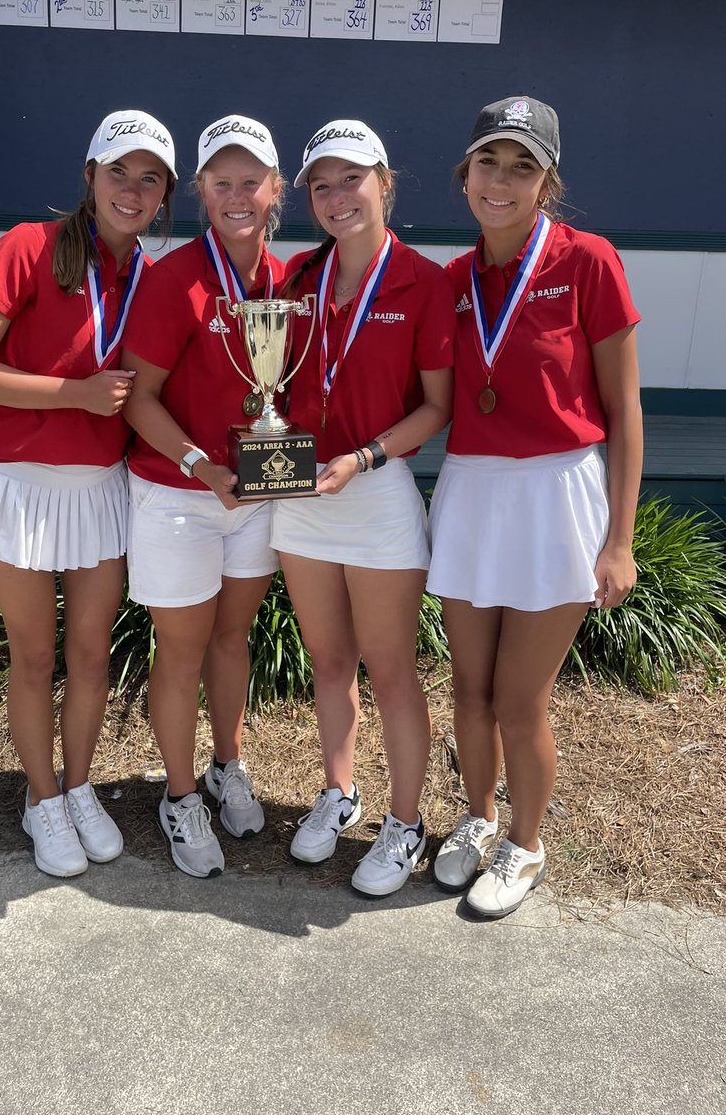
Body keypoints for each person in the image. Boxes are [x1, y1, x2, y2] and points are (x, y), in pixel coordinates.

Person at [0, 110, 177, 877]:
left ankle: (79, 787)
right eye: (119, 173)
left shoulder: (150, 276)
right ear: (88, 177)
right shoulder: (28, 246)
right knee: (35, 656)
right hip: (17, 485)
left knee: (89, 653)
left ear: (165, 194)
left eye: (150, 179)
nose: (132, 190)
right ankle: (41, 799)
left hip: (98, 489)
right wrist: (71, 395)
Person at [427, 96, 643, 918]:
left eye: (523, 167)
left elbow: (625, 414)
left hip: (558, 495)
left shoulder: (588, 261)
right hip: (474, 492)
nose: (502, 181)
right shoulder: (452, 281)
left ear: (547, 181)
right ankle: (477, 821)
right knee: (469, 693)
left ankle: (526, 844)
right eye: (490, 162)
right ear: (466, 175)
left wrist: (619, 539)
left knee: (521, 701)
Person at [271, 120, 455, 897]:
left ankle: (405, 822)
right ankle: (341, 793)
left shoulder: (423, 280)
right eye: (322, 184)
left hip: (374, 491)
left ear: (384, 182)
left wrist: (364, 457)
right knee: (330, 661)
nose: (338, 197)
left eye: (352, 179)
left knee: (390, 670)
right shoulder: (296, 280)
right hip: (301, 493)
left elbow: (437, 407)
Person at [120, 115, 286, 879]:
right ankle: (180, 795)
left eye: (249, 180)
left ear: (274, 189)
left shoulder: (285, 283)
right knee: (181, 649)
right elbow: (139, 400)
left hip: (254, 496)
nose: (236, 195)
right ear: (201, 192)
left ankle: (228, 764)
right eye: (220, 182)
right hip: (178, 497)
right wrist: (198, 464)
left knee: (231, 638)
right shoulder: (173, 278)